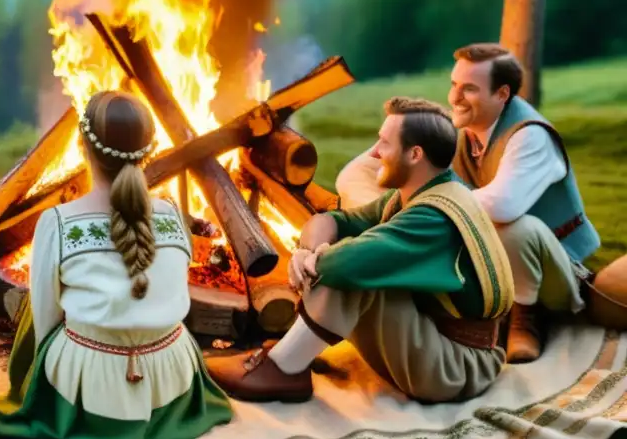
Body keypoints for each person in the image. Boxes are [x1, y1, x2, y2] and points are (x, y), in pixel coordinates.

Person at [207, 98, 516, 404]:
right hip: (437, 336)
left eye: (384, 142)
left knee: (350, 270)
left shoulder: (434, 217)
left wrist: (315, 261)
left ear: (415, 154)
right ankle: (289, 359)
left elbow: (348, 263)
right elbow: (334, 220)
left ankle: (285, 370)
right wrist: (306, 251)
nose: (375, 152)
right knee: (341, 260)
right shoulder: (418, 193)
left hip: (458, 366)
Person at [0, 90, 233, 439]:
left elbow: (48, 321)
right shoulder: (173, 214)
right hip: (172, 377)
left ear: (83, 149)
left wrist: (37, 374)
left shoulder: (58, 222)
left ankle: (56, 402)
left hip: (91, 385)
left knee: (37, 307)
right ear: (148, 154)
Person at [335, 44, 599, 363]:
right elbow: (360, 170)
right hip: (489, 256)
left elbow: (503, 204)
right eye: (454, 85)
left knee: (514, 228)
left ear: (502, 94)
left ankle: (525, 320)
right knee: (399, 202)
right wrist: (390, 207)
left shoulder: (530, 136)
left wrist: (419, 206)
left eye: (469, 89)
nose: (454, 98)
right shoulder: (460, 128)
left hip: (555, 268)